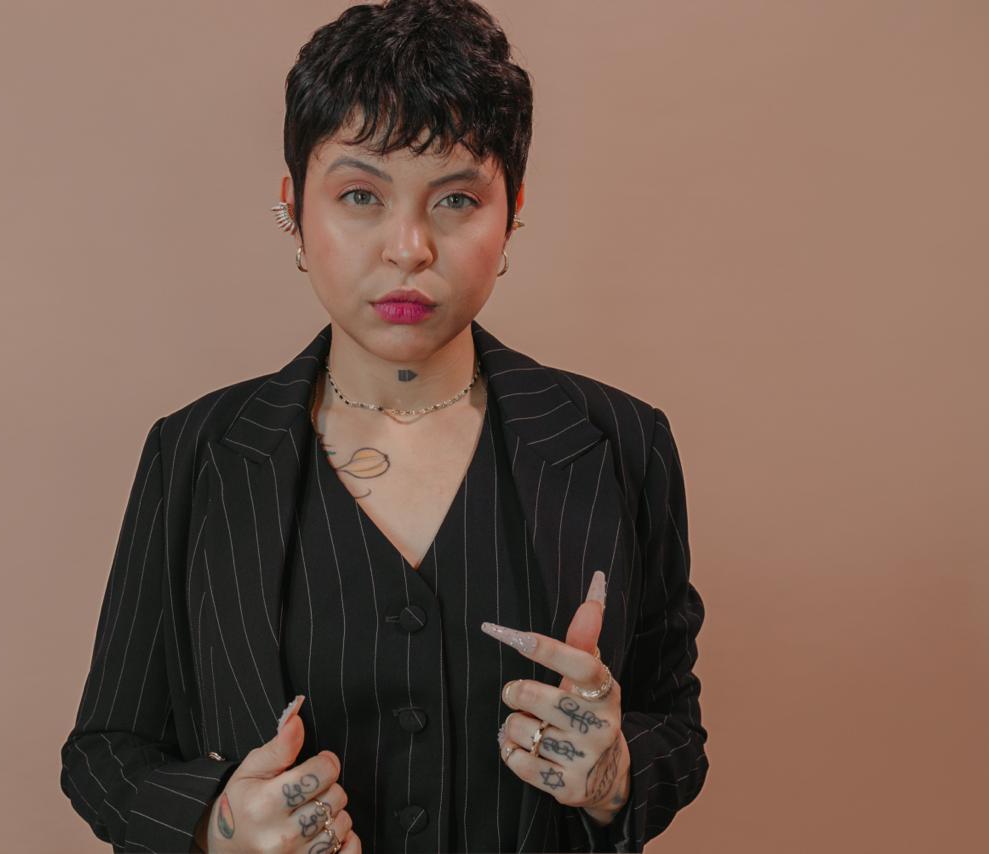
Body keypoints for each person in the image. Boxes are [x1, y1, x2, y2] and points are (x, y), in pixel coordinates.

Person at [59, 0, 708, 851]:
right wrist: (217, 824)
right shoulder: (195, 452)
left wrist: (613, 771)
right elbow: (105, 751)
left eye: (457, 199)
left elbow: (674, 725)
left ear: (512, 212)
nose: (409, 247)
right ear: (295, 207)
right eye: (360, 194)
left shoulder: (622, 442)